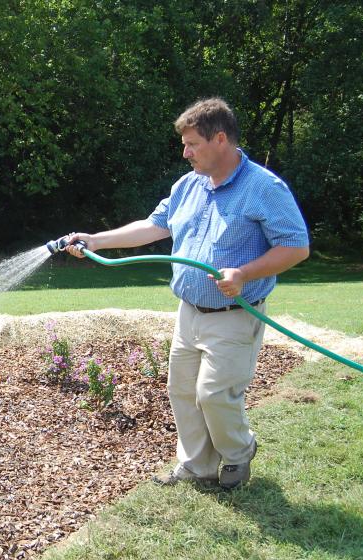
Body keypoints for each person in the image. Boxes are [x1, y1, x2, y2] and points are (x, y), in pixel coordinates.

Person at [64, 98, 309, 489]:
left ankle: (239, 452)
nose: (185, 152)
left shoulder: (264, 188)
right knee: (181, 390)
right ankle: (197, 465)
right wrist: (97, 240)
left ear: (221, 139)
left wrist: (244, 273)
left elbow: (296, 246)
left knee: (214, 394)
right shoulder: (188, 185)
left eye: (193, 143)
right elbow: (154, 225)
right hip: (189, 312)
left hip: (234, 312)